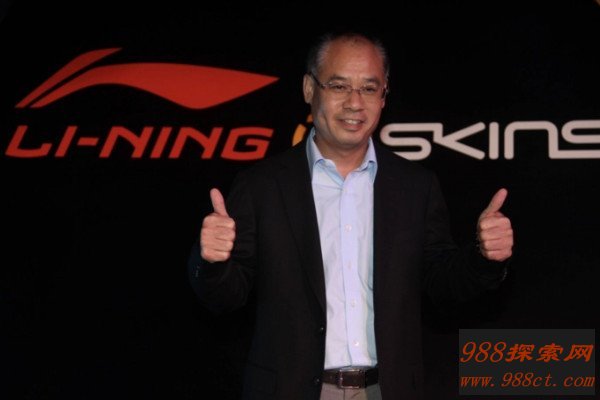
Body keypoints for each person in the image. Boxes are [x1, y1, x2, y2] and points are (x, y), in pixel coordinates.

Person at [188, 31, 513, 400]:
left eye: (369, 88)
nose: (355, 103)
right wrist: (212, 262)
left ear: (384, 95)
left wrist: (483, 258)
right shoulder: (261, 186)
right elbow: (226, 297)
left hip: (385, 390)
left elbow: (443, 284)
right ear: (309, 89)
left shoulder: (414, 186)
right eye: (339, 86)